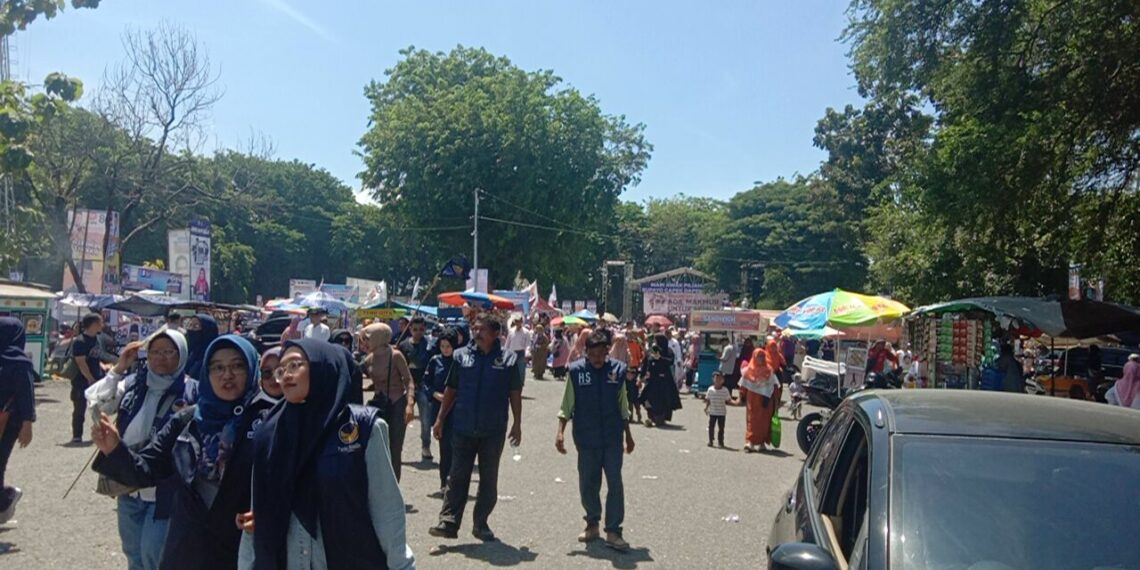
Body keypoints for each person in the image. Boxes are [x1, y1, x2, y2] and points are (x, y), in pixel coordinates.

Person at [241, 339, 416, 569]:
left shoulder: (362, 428)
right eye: (281, 370)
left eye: (295, 365)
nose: (285, 375)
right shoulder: (270, 431)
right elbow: (257, 509)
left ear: (322, 366)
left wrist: (401, 565)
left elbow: (386, 512)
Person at [91, 335, 262, 569]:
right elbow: (147, 469)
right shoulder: (188, 420)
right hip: (188, 546)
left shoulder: (265, 422)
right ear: (207, 372)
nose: (227, 375)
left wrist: (266, 514)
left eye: (237, 366)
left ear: (252, 369)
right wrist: (114, 449)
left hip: (241, 546)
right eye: (218, 367)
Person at [85, 329, 194, 570]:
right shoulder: (134, 384)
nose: (160, 358)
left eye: (168, 352)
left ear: (182, 354)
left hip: (164, 492)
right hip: (129, 488)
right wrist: (119, 368)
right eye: (154, 352)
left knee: (154, 555)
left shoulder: (191, 391)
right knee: (133, 554)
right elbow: (98, 403)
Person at [430, 313, 523, 542]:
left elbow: (515, 394)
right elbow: (451, 390)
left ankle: (481, 523)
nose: (477, 333)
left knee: (488, 479)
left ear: (496, 334)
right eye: (475, 328)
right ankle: (449, 522)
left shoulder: (509, 359)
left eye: (482, 329)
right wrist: (440, 419)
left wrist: (517, 424)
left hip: (493, 430)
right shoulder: (461, 357)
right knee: (457, 476)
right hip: (463, 427)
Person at [556, 330, 635, 551]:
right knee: (588, 481)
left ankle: (613, 530)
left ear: (607, 351)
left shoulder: (617, 371)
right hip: (586, 436)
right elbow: (567, 404)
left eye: (601, 354)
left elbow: (623, 405)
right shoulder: (575, 372)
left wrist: (628, 434)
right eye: (592, 354)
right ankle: (592, 523)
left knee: (615, 482)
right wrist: (560, 431)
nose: (597, 359)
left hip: (612, 436)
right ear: (586, 352)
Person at [363, 323, 415, 480]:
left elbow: (408, 380)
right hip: (378, 405)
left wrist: (410, 405)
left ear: (378, 338)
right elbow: (375, 379)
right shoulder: (369, 359)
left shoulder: (395, 355)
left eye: (368, 339)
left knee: (394, 448)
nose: (364, 343)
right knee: (377, 448)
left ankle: (394, 488)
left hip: (396, 404)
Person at [0, 317, 36, 524]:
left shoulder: (20, 363)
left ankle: (5, 499)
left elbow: (26, 395)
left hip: (9, 422)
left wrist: (27, 424)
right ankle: (5, 498)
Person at [423, 328, 459, 496]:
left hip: (457, 410)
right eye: (442, 346)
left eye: (448, 346)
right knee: (444, 448)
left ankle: (455, 481)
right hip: (439, 410)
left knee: (456, 448)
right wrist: (434, 394)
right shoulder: (434, 361)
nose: (445, 349)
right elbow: (425, 383)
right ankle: (444, 482)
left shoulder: (459, 361)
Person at [398, 317, 433, 462]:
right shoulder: (403, 345)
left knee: (426, 420)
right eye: (414, 329)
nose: (418, 332)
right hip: (406, 387)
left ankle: (426, 446)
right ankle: (397, 448)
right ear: (410, 329)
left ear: (425, 329)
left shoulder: (430, 346)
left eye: (421, 329)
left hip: (424, 387)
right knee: (402, 419)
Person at [71, 313, 106, 443]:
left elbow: (96, 358)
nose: (102, 325)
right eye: (100, 322)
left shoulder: (98, 339)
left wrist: (104, 367)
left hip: (98, 379)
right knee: (80, 408)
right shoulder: (80, 341)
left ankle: (101, 433)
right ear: (94, 324)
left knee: (99, 409)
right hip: (81, 381)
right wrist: (90, 378)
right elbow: (81, 362)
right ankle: (77, 435)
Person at [637, 333, 682, 427]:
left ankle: (660, 418)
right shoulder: (651, 350)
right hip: (652, 381)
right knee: (645, 398)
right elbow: (646, 363)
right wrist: (641, 378)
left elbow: (670, 361)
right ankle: (651, 416)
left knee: (663, 401)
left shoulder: (668, 351)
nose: (655, 343)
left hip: (664, 381)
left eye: (656, 341)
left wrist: (660, 358)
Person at [740, 349, 780, 452]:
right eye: (759, 356)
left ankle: (762, 443)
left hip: (766, 401)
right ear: (754, 357)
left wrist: (776, 402)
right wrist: (741, 396)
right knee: (752, 421)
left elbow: (775, 386)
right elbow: (743, 386)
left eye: (763, 356)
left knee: (765, 422)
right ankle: (750, 442)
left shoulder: (769, 370)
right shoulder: (749, 370)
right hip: (753, 401)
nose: (761, 358)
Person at [329, 329, 365, 405]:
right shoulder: (326, 363)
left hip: (348, 406)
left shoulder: (354, 365)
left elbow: (358, 394)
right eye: (340, 340)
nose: (343, 343)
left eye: (347, 341)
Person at [184, 314, 219, 383]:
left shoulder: (214, 357)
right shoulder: (190, 353)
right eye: (190, 325)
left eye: (196, 326)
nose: (191, 329)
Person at [705, 371, 731, 448]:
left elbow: (728, 400)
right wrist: (706, 408)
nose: (718, 381)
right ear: (713, 380)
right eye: (716, 379)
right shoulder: (710, 389)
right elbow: (708, 400)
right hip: (712, 412)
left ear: (723, 380)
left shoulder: (725, 390)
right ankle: (710, 440)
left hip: (722, 413)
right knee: (711, 427)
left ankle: (720, 442)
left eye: (720, 379)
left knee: (721, 428)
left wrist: (736, 402)